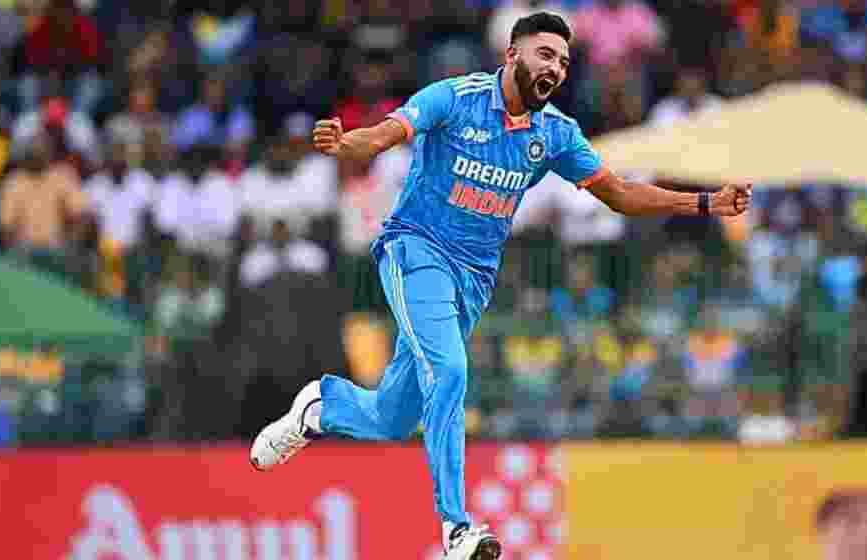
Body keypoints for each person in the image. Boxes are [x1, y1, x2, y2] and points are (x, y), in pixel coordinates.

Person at [249, 12, 751, 560]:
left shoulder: (554, 134)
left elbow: (621, 193)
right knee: (450, 371)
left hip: (472, 281)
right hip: (415, 252)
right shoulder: (456, 97)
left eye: (562, 61)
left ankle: (320, 408)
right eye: (544, 54)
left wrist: (705, 202)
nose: (554, 68)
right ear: (511, 54)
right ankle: (456, 528)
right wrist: (353, 145)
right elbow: (389, 132)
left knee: (393, 418)